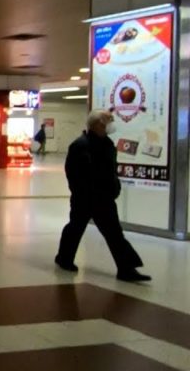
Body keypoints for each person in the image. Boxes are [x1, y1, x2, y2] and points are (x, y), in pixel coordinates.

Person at [55, 110, 150, 282]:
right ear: (99, 124)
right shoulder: (80, 146)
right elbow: (73, 174)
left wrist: (115, 187)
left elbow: (111, 170)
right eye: (110, 121)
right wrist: (81, 193)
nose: (113, 124)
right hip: (84, 199)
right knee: (76, 228)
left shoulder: (107, 144)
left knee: (114, 233)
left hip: (104, 198)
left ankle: (126, 268)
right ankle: (64, 258)